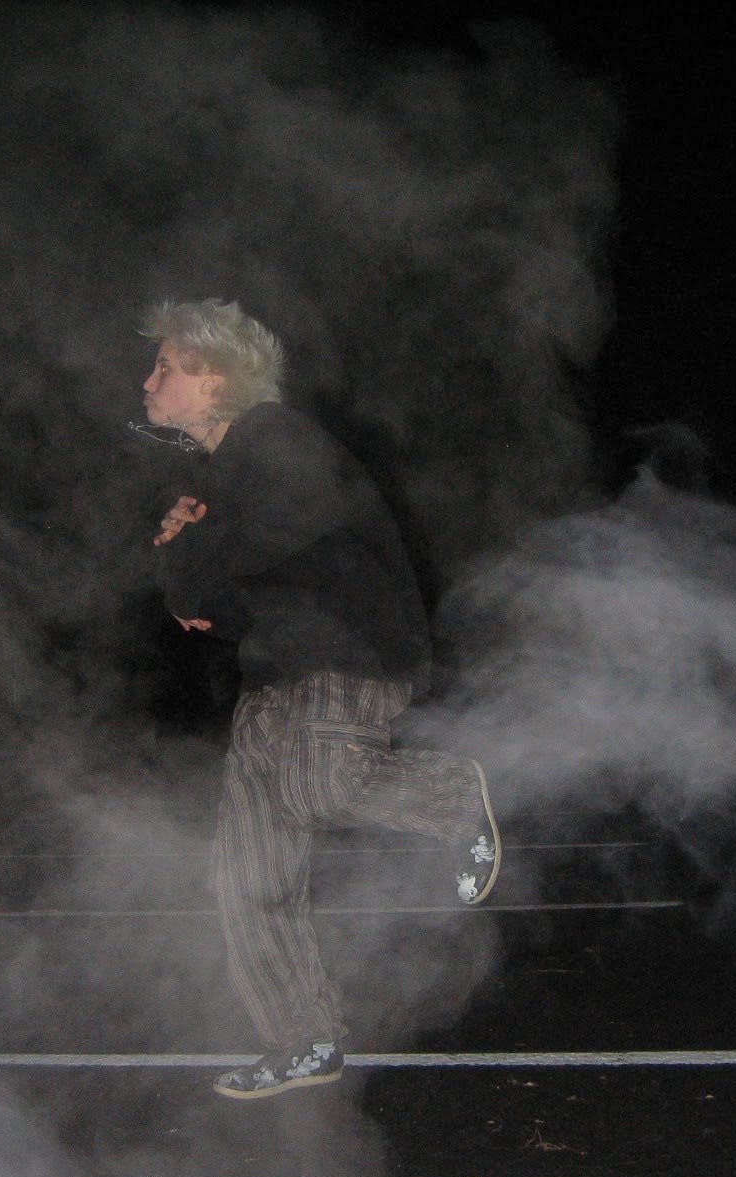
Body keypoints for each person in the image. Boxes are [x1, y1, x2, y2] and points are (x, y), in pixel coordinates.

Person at [139, 299, 501, 1100]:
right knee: (246, 874)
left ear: (217, 377)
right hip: (272, 680)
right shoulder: (218, 481)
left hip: (347, 657)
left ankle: (451, 796)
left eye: (166, 366)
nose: (149, 381)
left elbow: (281, 540)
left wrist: (195, 544)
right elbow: (209, 611)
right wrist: (186, 556)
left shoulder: (276, 440)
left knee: (322, 782)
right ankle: (302, 1039)